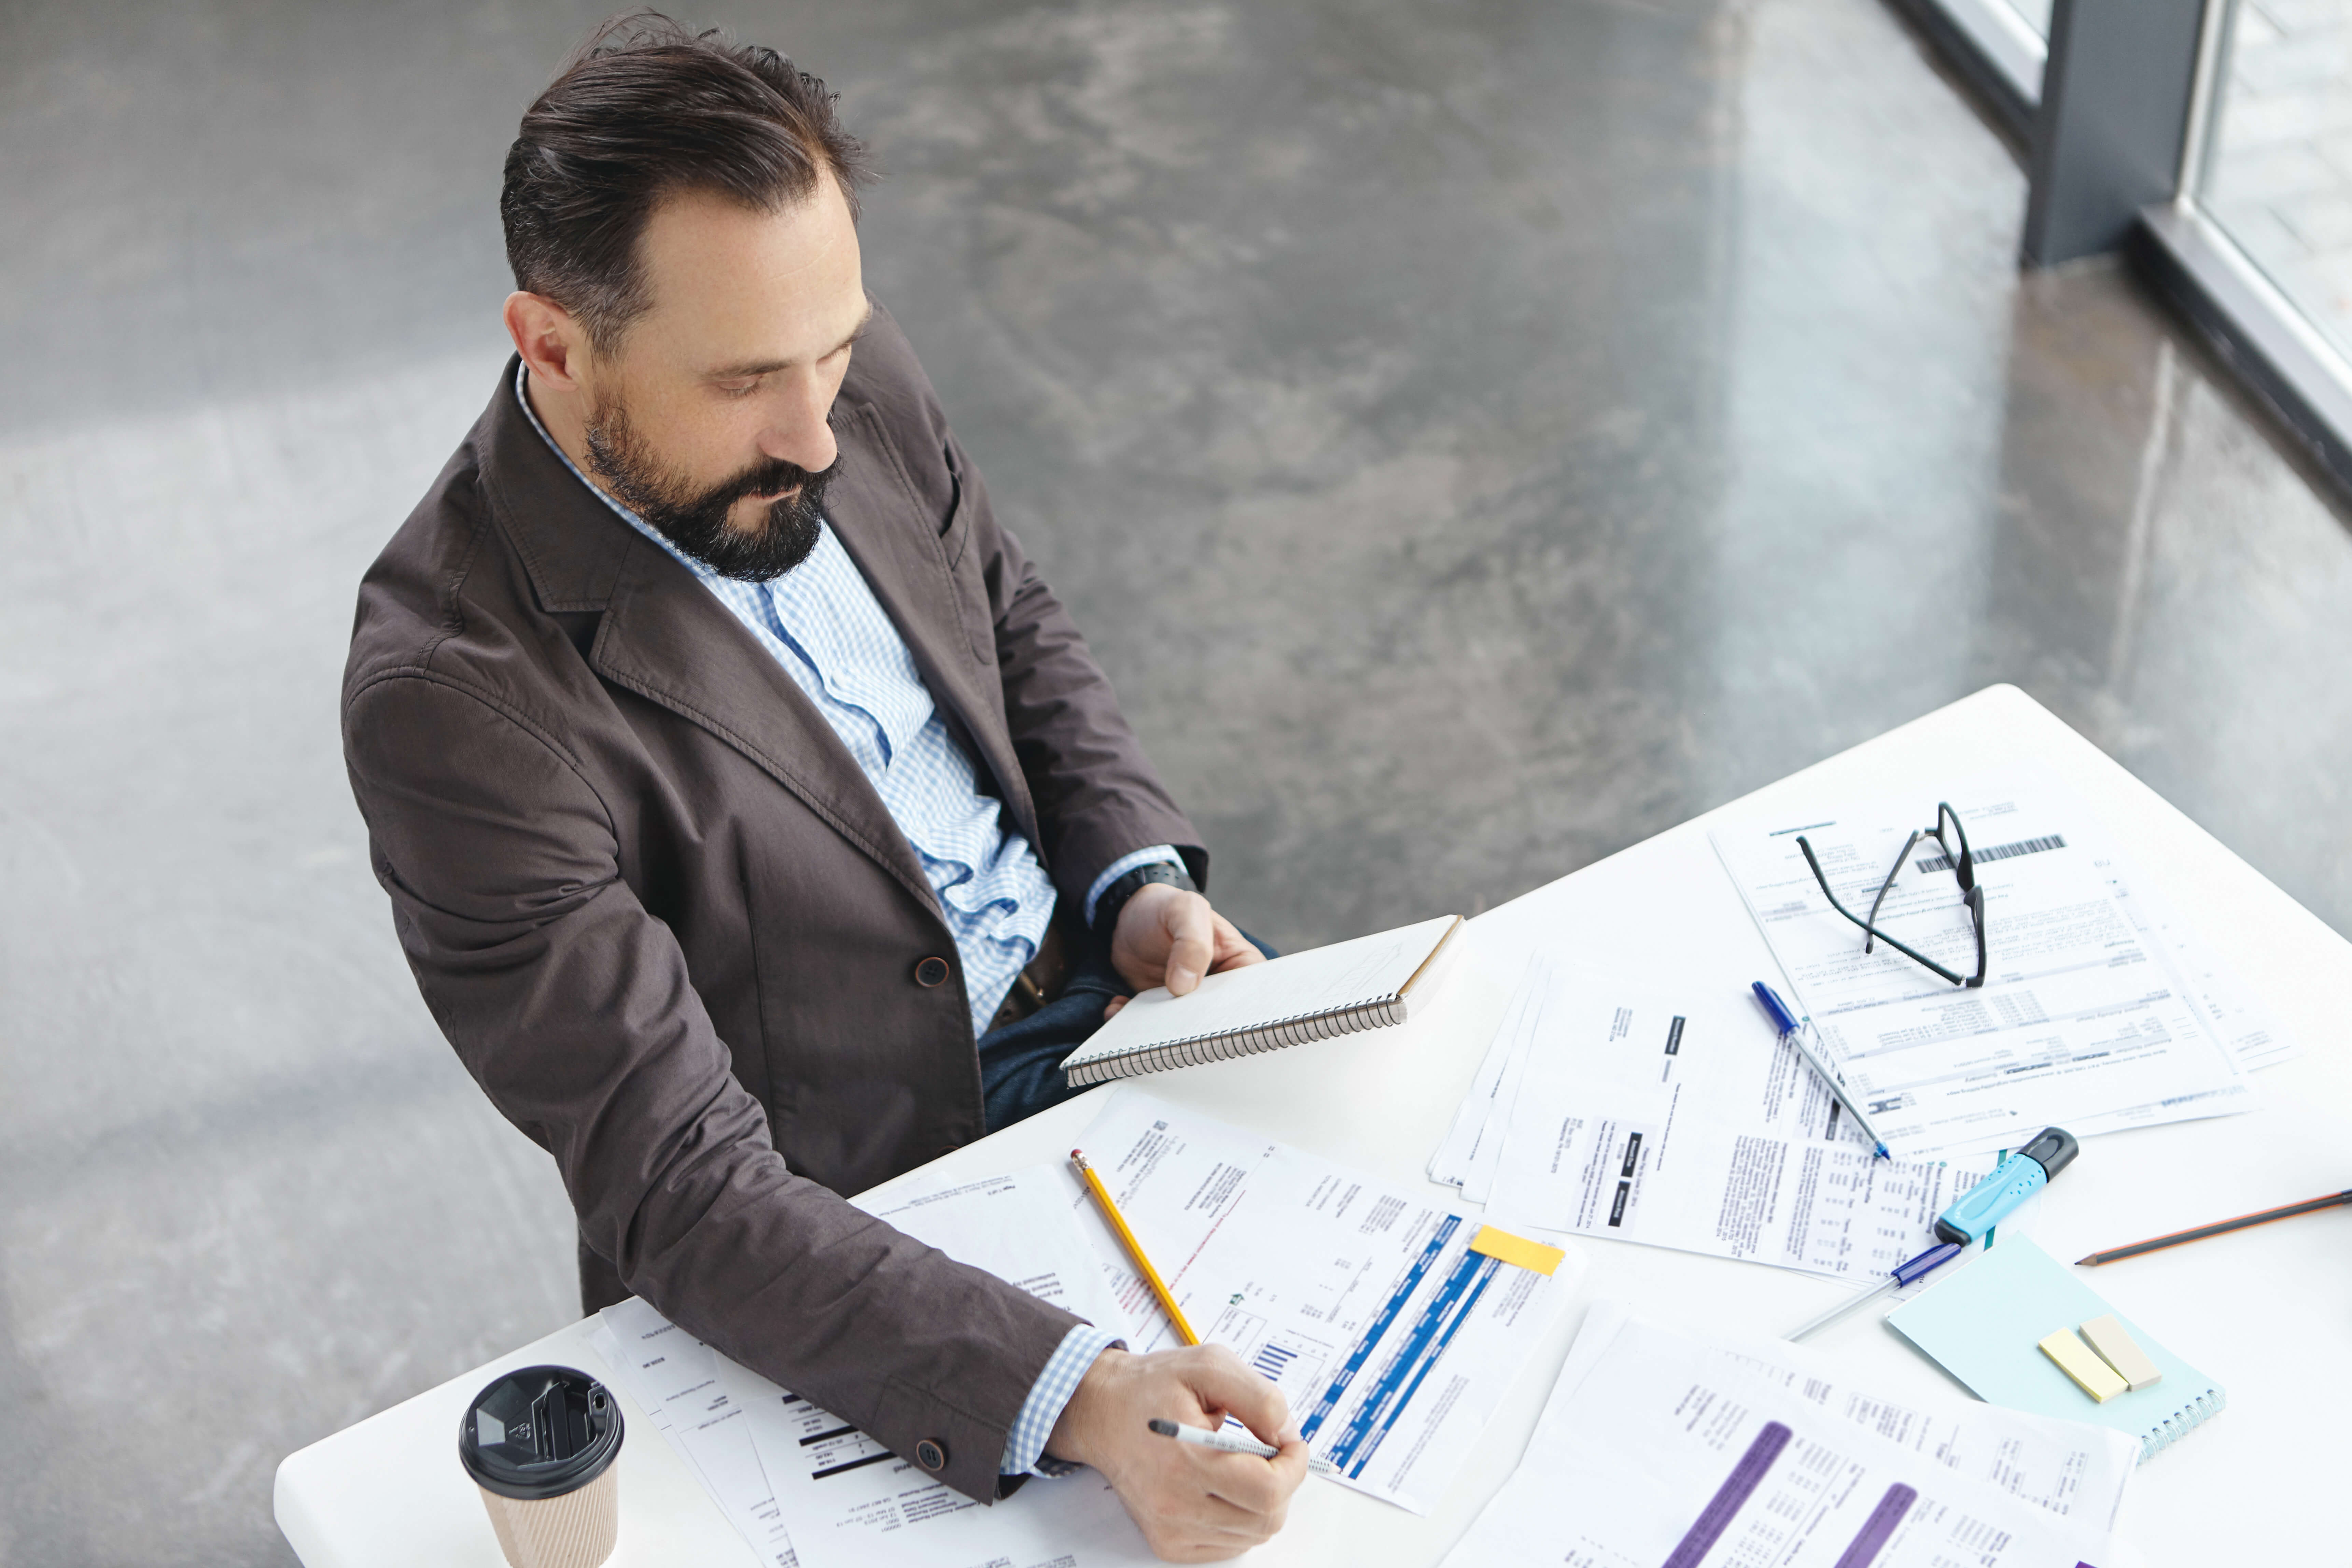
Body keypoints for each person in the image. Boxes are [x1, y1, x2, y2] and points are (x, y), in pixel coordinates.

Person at [339, 15, 1308, 1560]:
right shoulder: (452, 701)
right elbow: (680, 1181)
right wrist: (1071, 1394)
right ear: (555, 344)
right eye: (745, 383)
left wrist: (1128, 880)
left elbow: (1002, 607)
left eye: (835, 354)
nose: (816, 430)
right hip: (860, 1206)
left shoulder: (812, 348)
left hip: (1114, 1026)